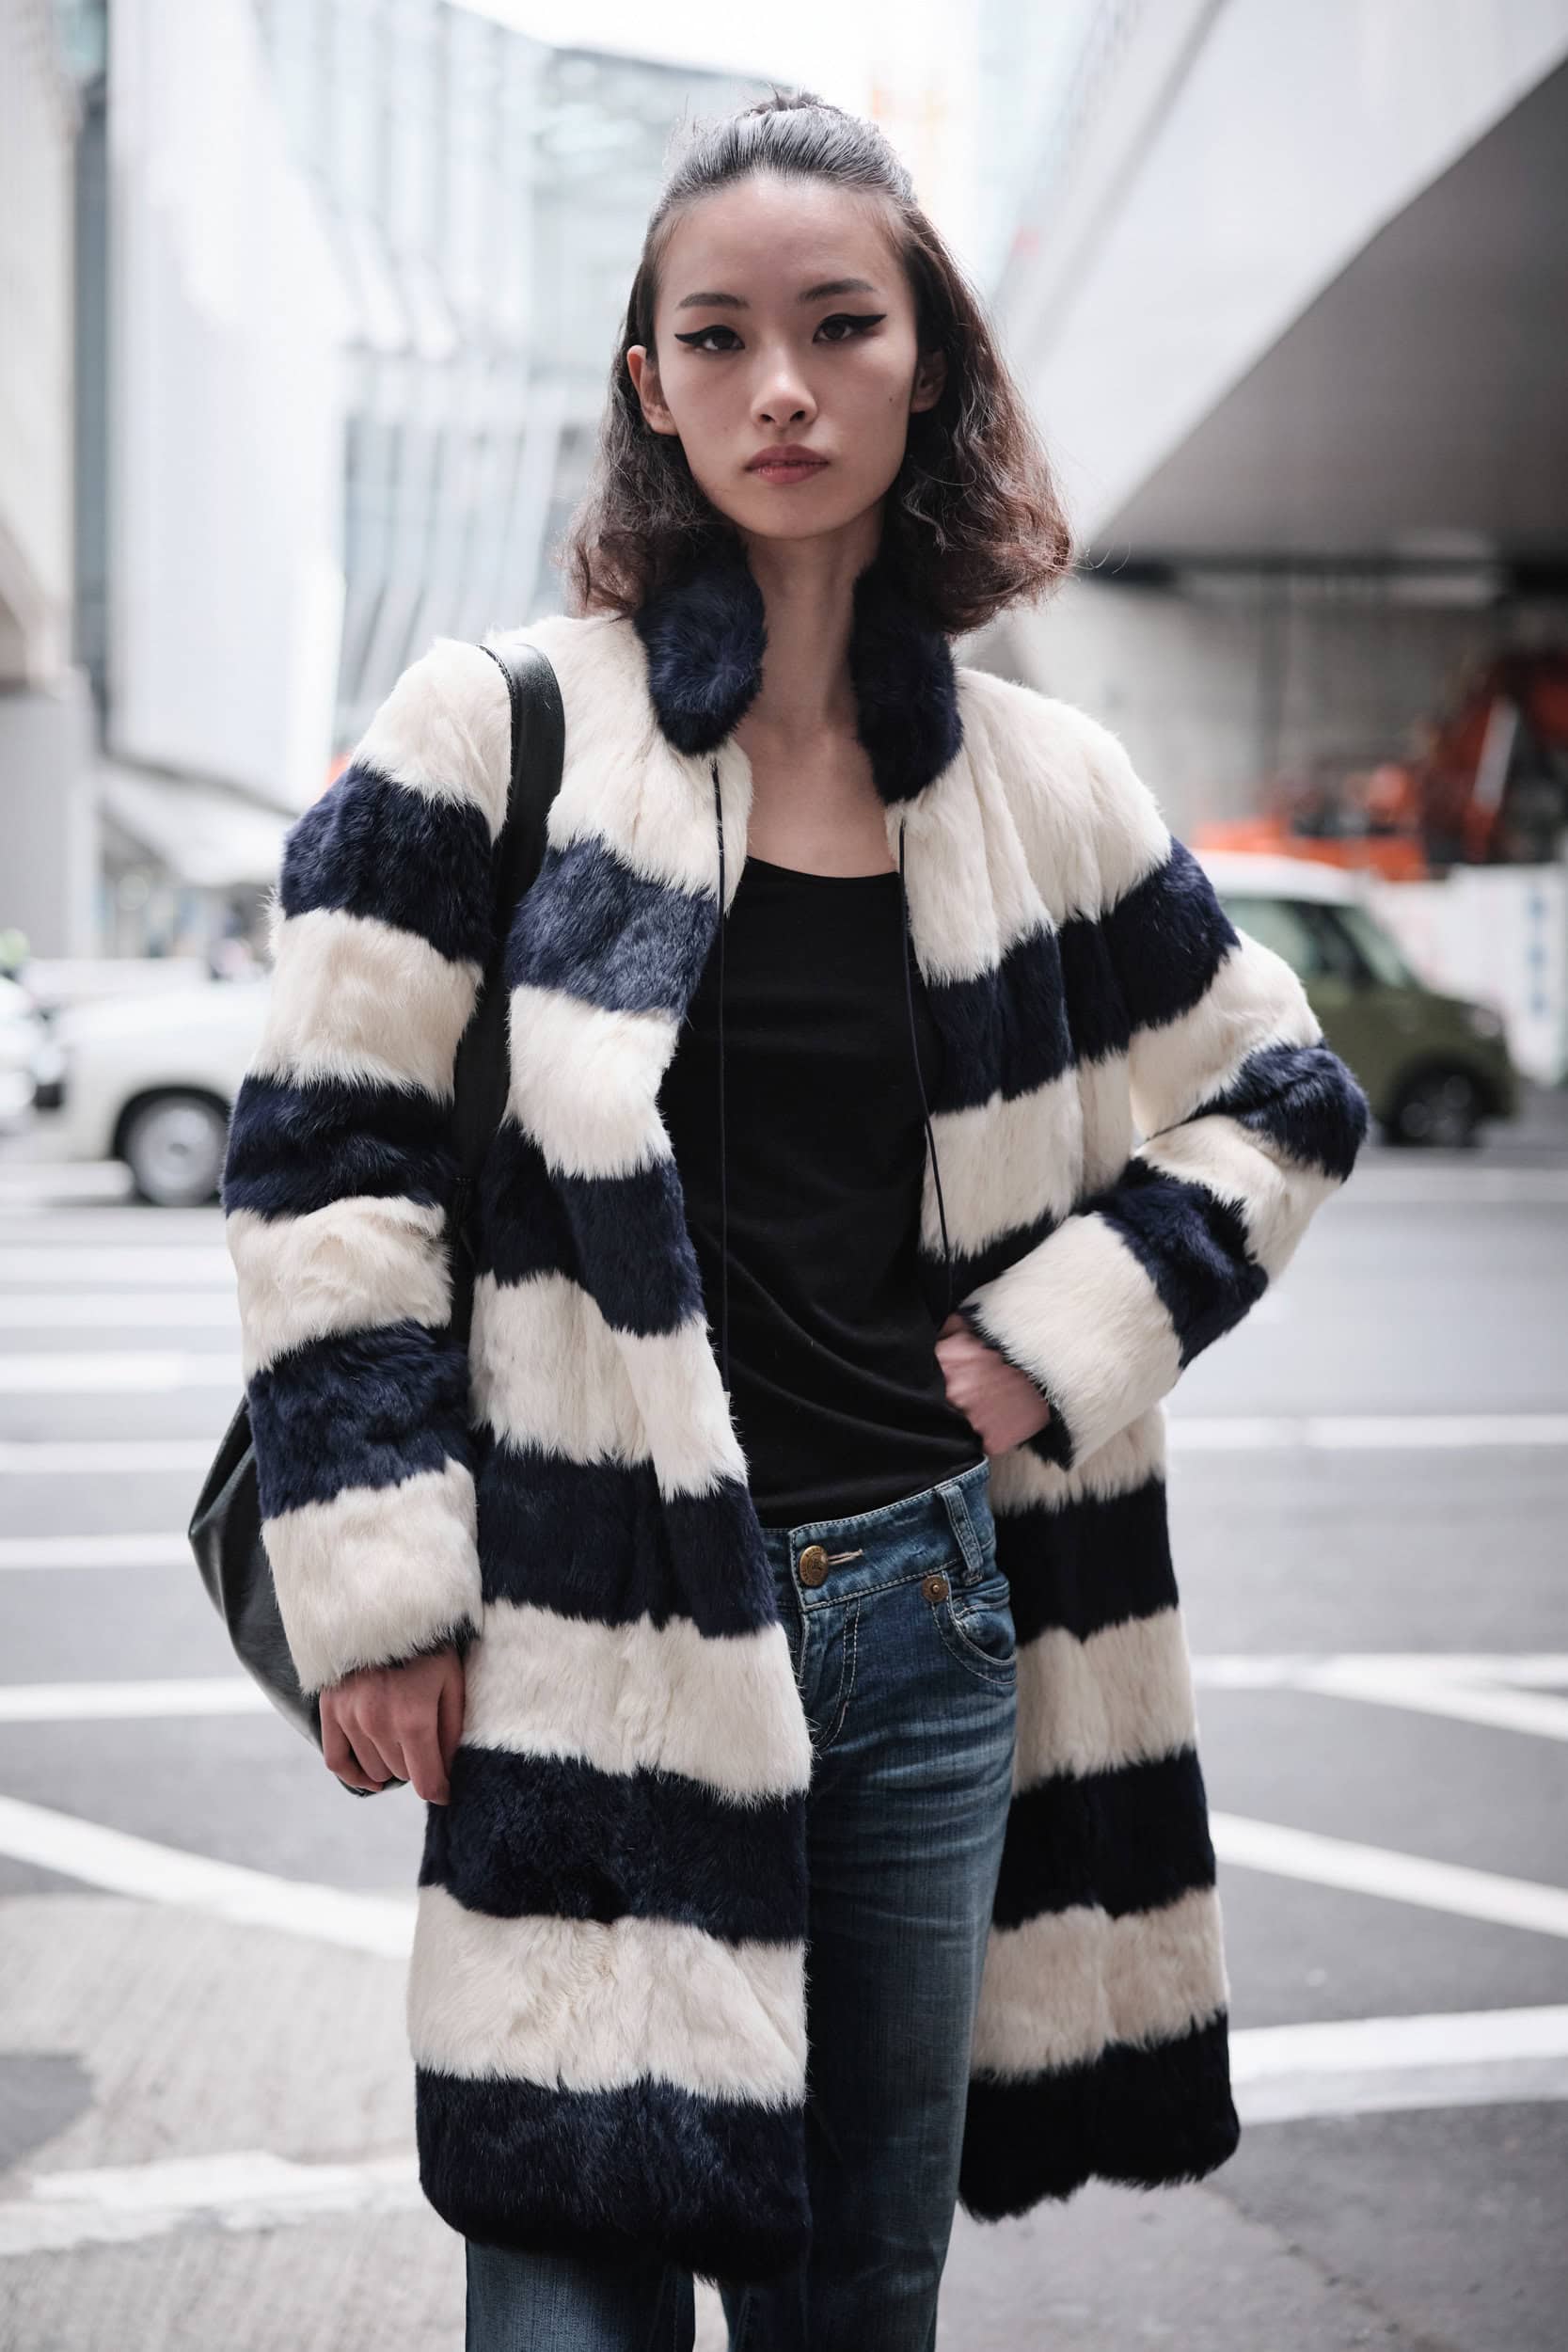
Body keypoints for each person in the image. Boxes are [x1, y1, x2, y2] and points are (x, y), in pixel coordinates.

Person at [220, 87, 1369, 2352]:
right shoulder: (497, 729)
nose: (781, 385)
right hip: (581, 1614)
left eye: (840, 325)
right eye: (719, 335)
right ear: (648, 380)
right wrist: (378, 1596)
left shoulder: (1045, 784)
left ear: (926, 360)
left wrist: (1054, 1335)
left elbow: (1284, 1093)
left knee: (856, 2295)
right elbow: (328, 1161)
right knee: (567, 2274)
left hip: (924, 1618)